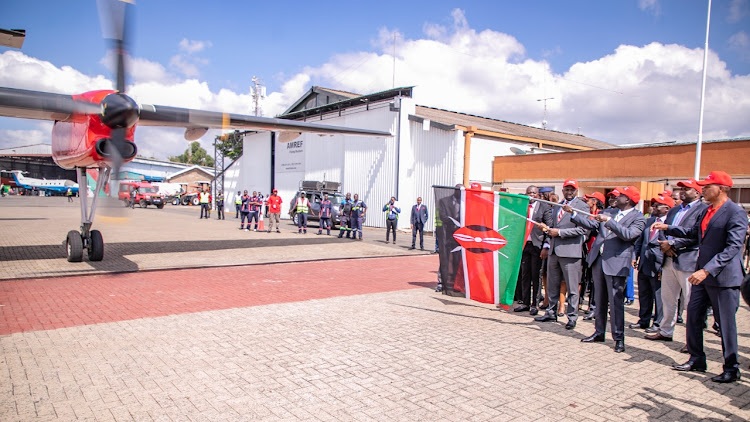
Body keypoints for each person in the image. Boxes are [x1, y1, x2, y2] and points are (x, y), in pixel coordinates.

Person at [654, 171, 747, 383]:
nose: (703, 190)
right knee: (693, 316)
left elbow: (733, 247)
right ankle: (697, 359)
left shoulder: (734, 212)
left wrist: (707, 270)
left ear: (721, 189)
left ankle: (732, 368)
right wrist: (668, 227)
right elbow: (694, 232)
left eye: (707, 186)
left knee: (725, 324)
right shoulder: (708, 211)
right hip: (702, 276)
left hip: (723, 278)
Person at [571, 186, 646, 353]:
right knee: (600, 299)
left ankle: (618, 338)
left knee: (616, 302)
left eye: (619, 196)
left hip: (617, 263)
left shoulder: (638, 218)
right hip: (599, 260)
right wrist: (573, 214)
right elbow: (592, 224)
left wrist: (609, 221)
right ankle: (599, 332)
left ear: (627, 200)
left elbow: (628, 235)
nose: (615, 198)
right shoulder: (610, 212)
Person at [645, 179, 708, 349]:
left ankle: (692, 341)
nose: (682, 191)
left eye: (687, 189)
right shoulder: (673, 210)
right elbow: (664, 229)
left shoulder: (702, 210)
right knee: (668, 298)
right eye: (681, 188)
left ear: (697, 192)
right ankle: (665, 331)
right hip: (668, 259)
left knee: (690, 302)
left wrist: (673, 245)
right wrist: (665, 245)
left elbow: (696, 235)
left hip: (688, 260)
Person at [534, 180, 588, 330]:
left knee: (571, 287)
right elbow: (554, 226)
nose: (569, 192)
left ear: (576, 191)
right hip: (554, 250)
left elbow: (583, 230)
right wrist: (547, 228)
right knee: (552, 284)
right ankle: (551, 312)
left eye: (572, 189)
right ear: (562, 190)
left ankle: (572, 317)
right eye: (566, 189)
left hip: (571, 252)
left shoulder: (582, 206)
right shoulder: (558, 205)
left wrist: (560, 233)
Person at [631, 194, 673, 331]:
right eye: (653, 205)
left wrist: (663, 267)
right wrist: (634, 256)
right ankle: (644, 320)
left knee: (659, 295)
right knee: (644, 294)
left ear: (666, 208)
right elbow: (640, 241)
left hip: (659, 264)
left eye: (656, 205)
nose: (652, 207)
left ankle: (658, 323)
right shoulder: (648, 221)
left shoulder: (670, 224)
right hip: (644, 263)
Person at [514, 185, 553, 316]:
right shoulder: (522, 206)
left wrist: (546, 247)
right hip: (525, 245)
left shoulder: (544, 207)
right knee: (525, 275)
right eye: (529, 193)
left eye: (534, 193)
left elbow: (549, 228)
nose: (531, 195)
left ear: (538, 194)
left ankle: (535, 304)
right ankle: (525, 302)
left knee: (536, 276)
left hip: (538, 246)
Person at [581, 192, 606, 320]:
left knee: (596, 282)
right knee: (589, 279)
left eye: (588, 200)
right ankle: (589, 305)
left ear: (595, 201)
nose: (587, 202)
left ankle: (594, 307)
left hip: (598, 251)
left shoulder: (601, 215)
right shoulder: (588, 214)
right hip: (588, 250)